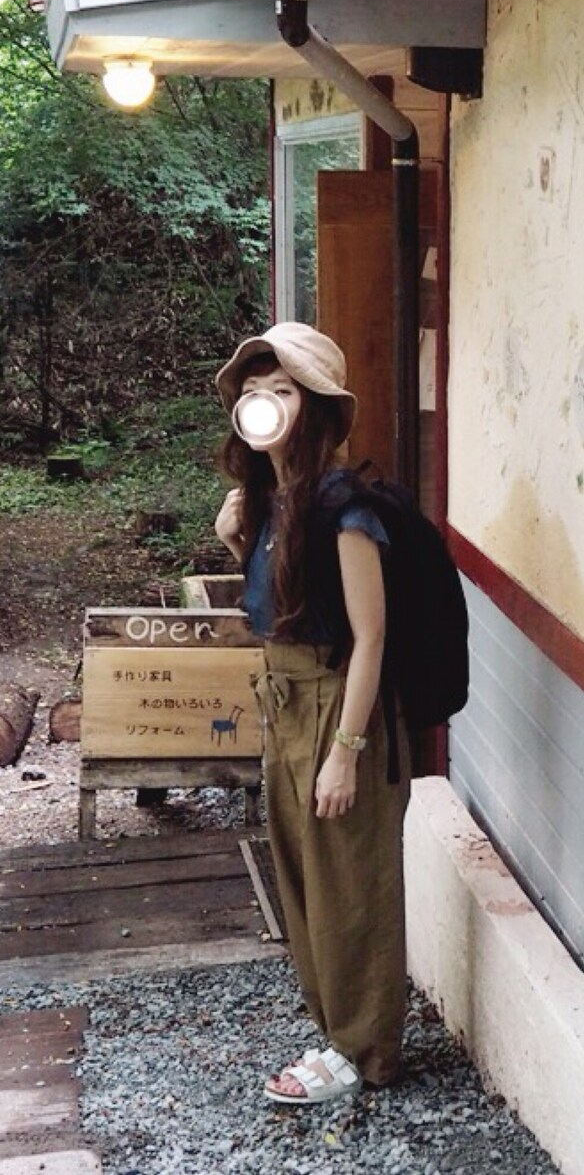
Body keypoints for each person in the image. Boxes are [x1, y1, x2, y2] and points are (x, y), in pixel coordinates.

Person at [213, 320, 409, 1106]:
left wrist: (346, 751)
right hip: (285, 701)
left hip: (337, 704)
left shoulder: (345, 508)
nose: (264, 403)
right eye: (254, 391)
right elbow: (285, 610)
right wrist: (238, 543)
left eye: (283, 391)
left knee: (350, 884)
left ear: (317, 409)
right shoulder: (271, 502)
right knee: (303, 880)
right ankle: (336, 1032)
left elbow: (370, 637)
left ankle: (364, 1051)